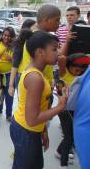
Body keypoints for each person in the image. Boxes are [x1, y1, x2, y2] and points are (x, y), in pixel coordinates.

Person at [10, 31, 68, 169]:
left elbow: (39, 108)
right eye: (54, 49)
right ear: (40, 52)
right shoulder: (35, 78)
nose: (59, 52)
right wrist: (60, 107)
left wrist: (43, 130)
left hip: (30, 129)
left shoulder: (37, 73)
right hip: (26, 130)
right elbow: (32, 119)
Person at [55, 53, 90, 168]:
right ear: (68, 66)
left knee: (70, 135)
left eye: (81, 71)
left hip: (75, 111)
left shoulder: (84, 76)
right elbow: (62, 59)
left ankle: (59, 151)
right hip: (64, 111)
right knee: (69, 138)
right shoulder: (64, 74)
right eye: (75, 70)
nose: (78, 73)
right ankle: (63, 163)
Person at [0, 27, 16, 122]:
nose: (7, 37)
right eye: (5, 35)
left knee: (9, 94)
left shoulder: (14, 46)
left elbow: (18, 61)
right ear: (2, 35)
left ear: (12, 37)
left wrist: (11, 59)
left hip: (10, 74)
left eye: (9, 36)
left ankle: (9, 114)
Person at [8, 19, 36, 97]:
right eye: (35, 27)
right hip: (22, 75)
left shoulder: (32, 42)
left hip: (31, 74)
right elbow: (15, 65)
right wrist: (11, 85)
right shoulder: (20, 44)